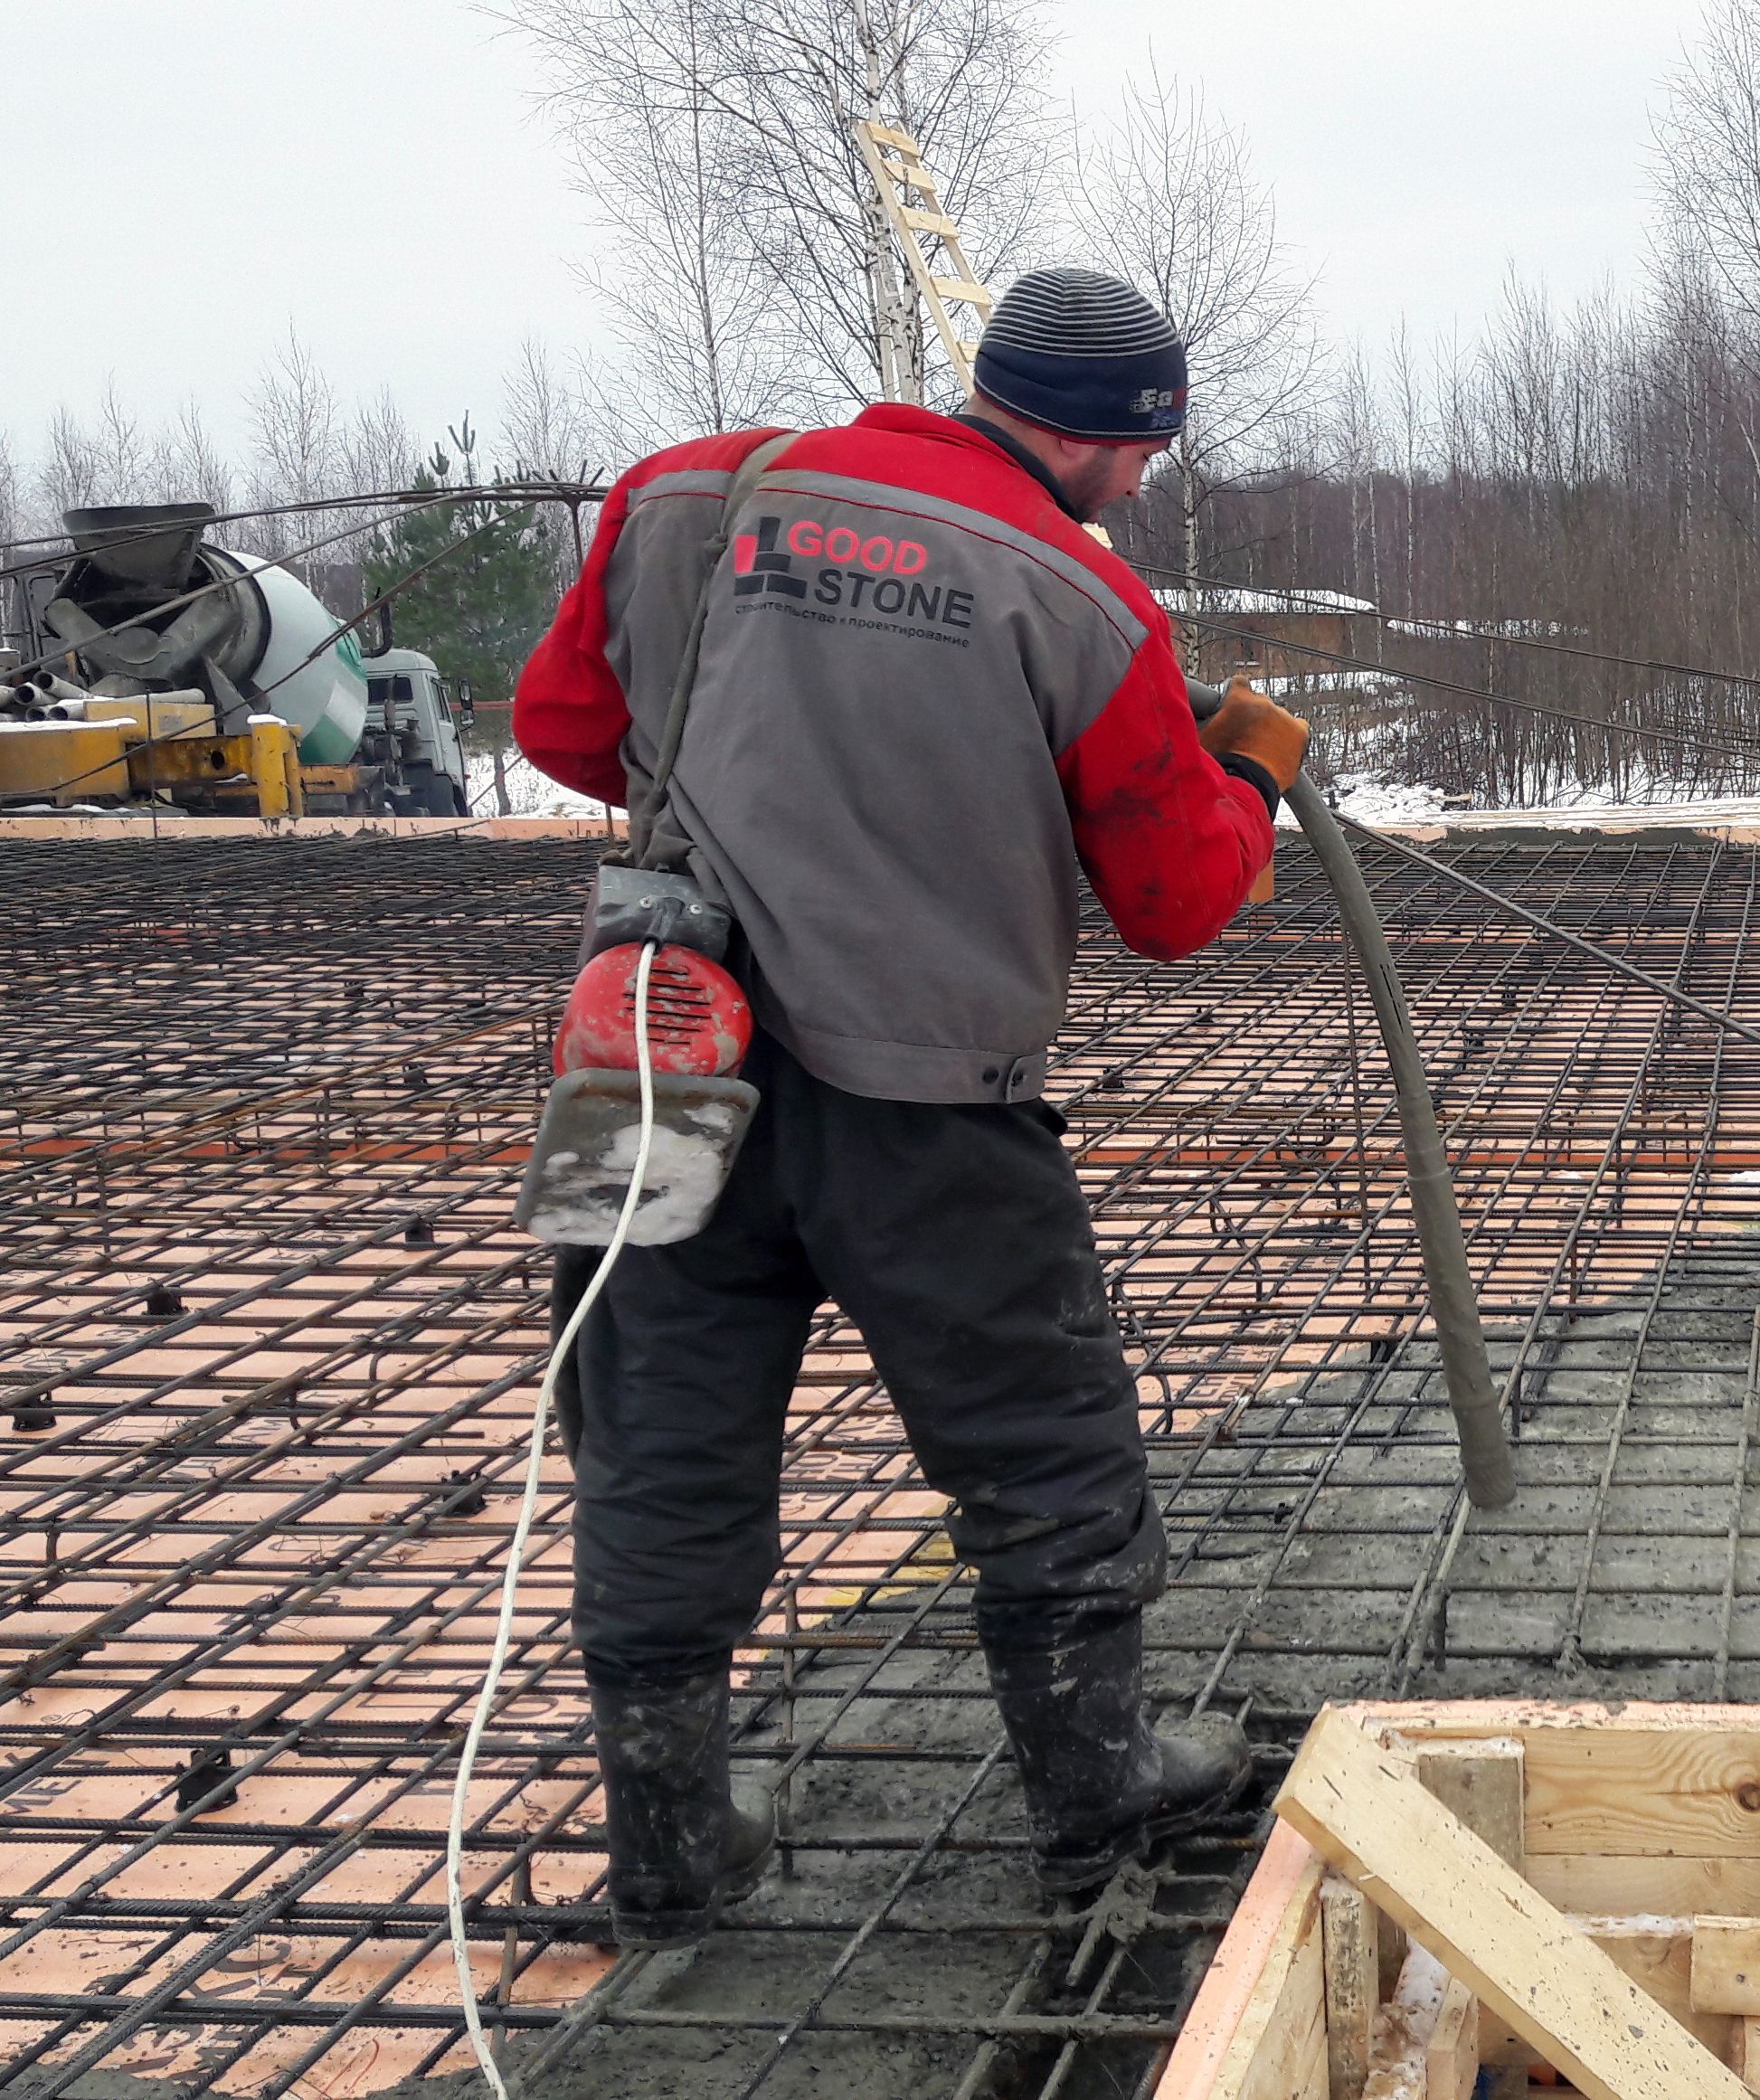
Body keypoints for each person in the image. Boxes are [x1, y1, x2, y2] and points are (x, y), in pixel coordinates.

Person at [512, 268, 1312, 1939]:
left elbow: (567, 731)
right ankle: (1095, 1796)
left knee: (648, 1448)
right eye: (1144, 458)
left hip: (660, 1046)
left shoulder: (682, 490)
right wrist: (1237, 781)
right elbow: (1170, 899)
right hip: (925, 1094)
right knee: (1044, 1448)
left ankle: (668, 1840)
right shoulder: (1077, 598)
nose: (1139, 489)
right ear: (1119, 440)